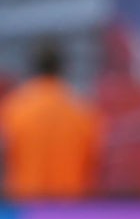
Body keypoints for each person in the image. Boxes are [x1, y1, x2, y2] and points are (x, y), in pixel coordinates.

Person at [0, 39, 103, 201]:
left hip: (25, 204)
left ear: (33, 68)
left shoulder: (14, 108)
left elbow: (6, 158)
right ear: (62, 69)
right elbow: (94, 160)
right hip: (71, 203)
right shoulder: (82, 109)